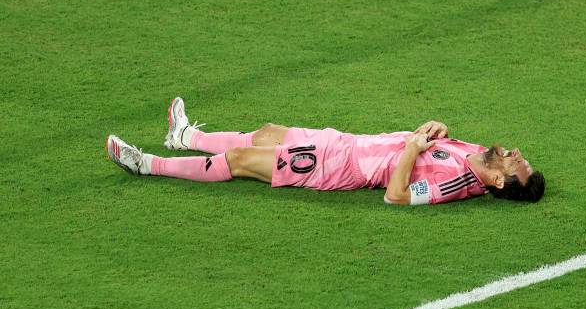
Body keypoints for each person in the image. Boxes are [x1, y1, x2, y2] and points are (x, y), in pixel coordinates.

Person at [107, 97, 545, 205]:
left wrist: (413, 150)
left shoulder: (454, 185)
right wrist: (438, 129)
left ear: (499, 182)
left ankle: (146, 164)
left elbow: (396, 196)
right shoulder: (477, 152)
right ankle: (185, 137)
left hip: (339, 167)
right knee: (266, 133)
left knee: (240, 162)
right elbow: (438, 144)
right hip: (347, 142)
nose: (515, 153)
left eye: (517, 163)